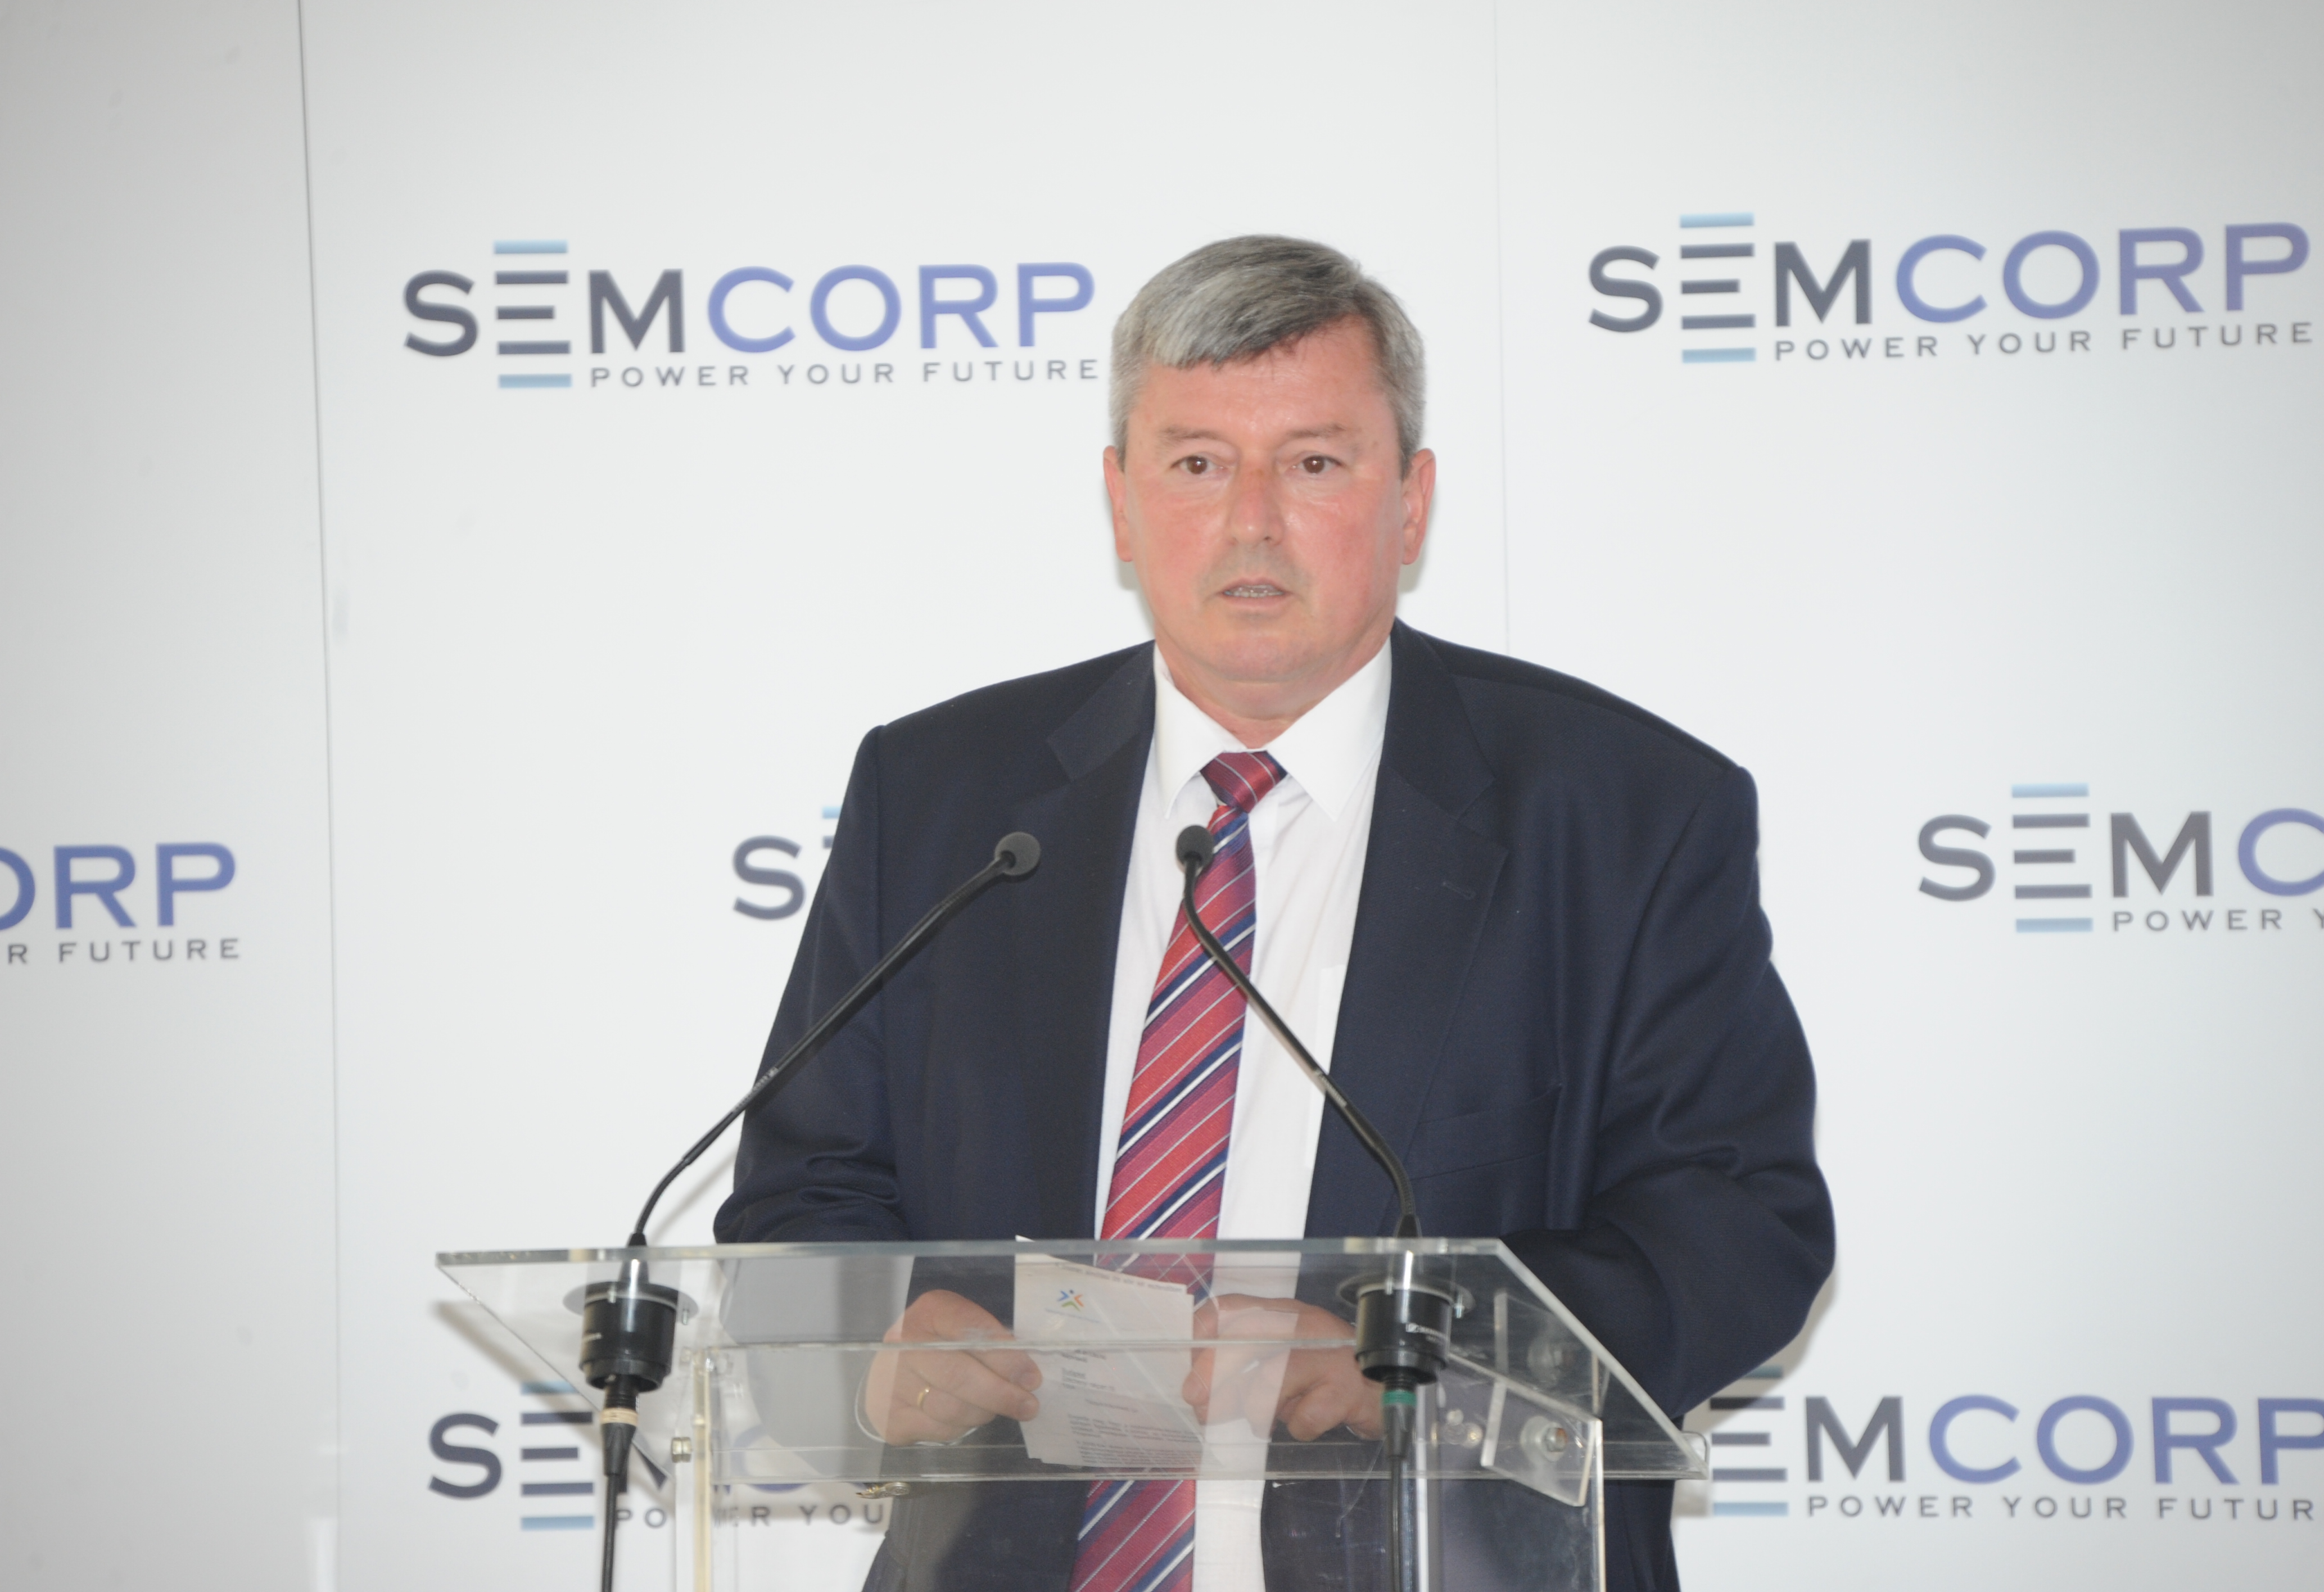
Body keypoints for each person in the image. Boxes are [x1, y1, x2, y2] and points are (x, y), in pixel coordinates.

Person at [717, 236, 1833, 1592]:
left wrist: (1406, 1355)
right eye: (1196, 463)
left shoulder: (1622, 813)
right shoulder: (944, 796)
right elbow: (801, 1200)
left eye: (1312, 463)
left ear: (1409, 502)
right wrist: (880, 1351)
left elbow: (1734, 1232)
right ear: (1120, 503)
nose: (1250, 520)